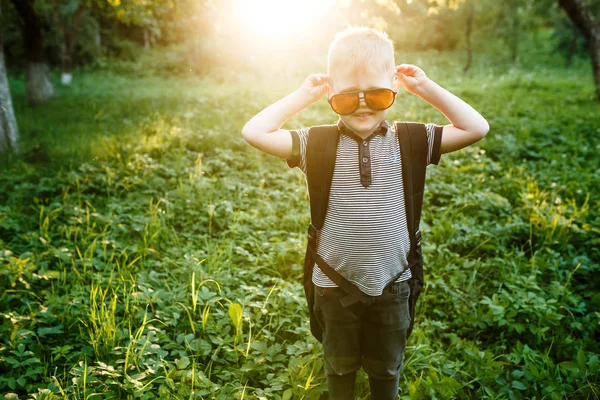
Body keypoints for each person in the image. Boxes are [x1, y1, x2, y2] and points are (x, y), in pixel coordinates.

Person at [241, 26, 489, 400]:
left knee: (387, 366)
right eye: (345, 99)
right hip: (334, 283)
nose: (362, 105)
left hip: (394, 281)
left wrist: (426, 89)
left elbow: (476, 127)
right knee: (338, 363)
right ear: (330, 95)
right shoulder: (317, 143)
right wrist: (301, 97)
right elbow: (255, 131)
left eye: (376, 94)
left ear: (393, 87)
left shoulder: (411, 138)